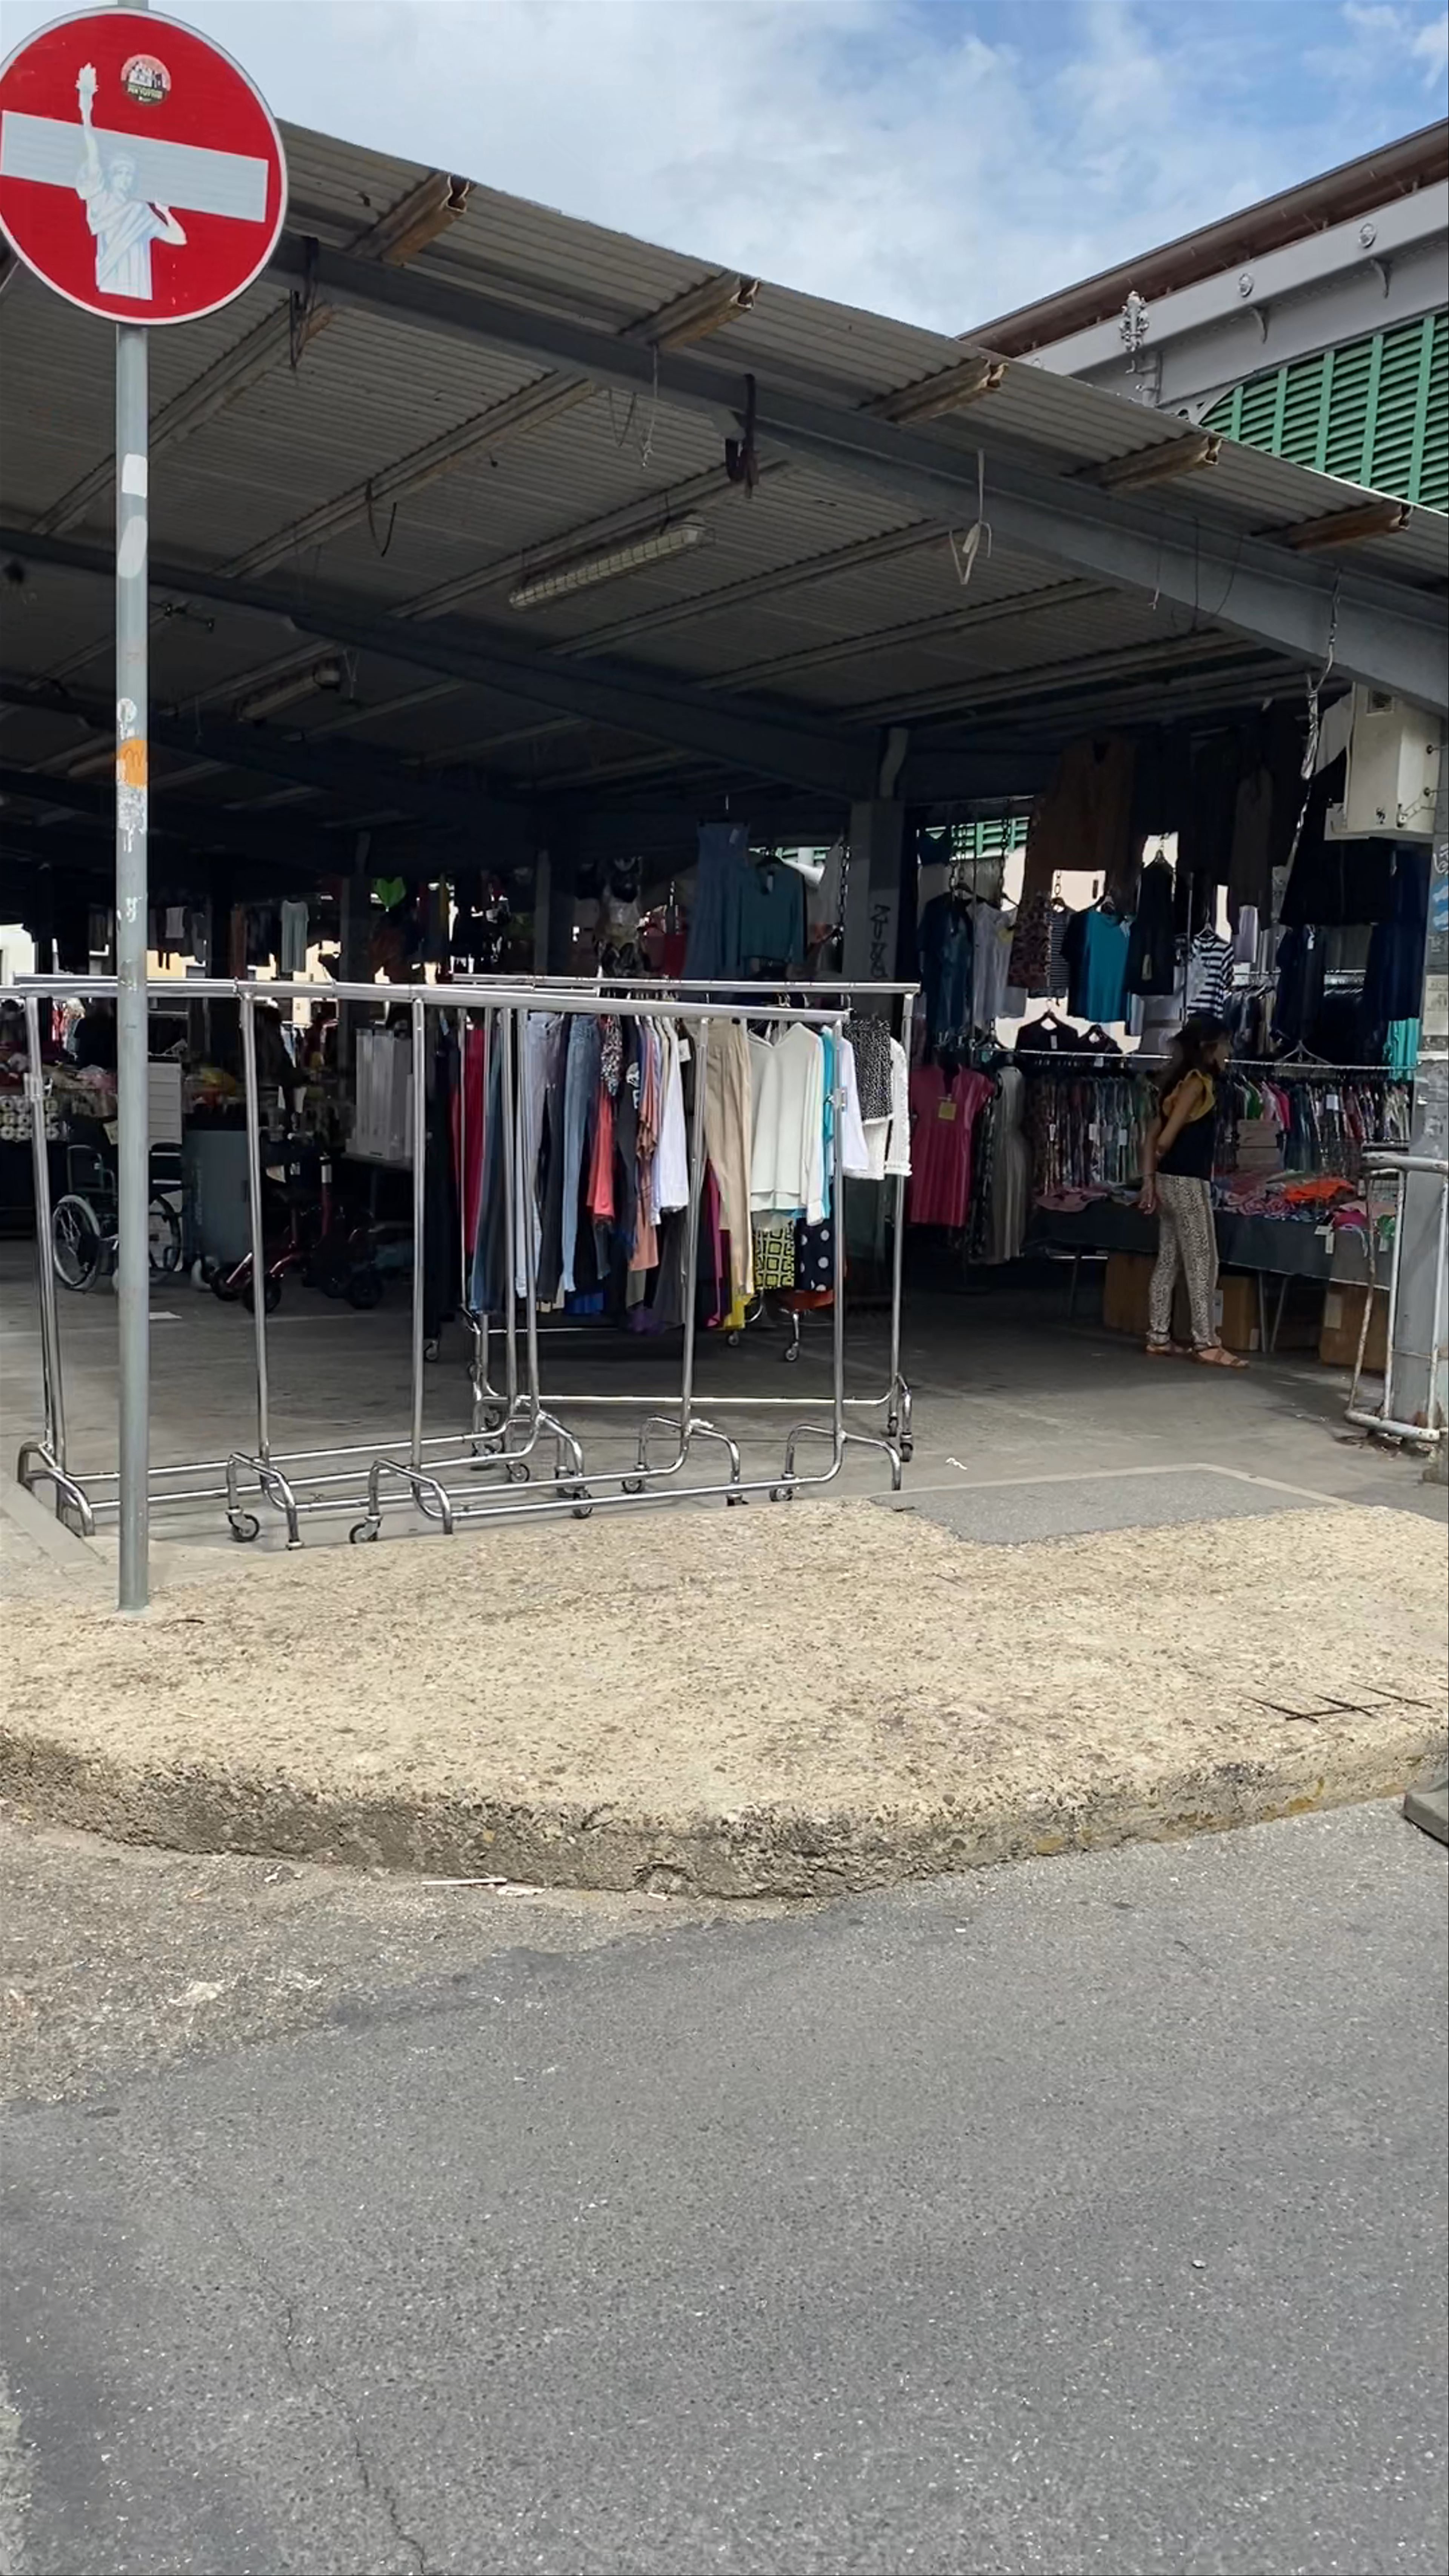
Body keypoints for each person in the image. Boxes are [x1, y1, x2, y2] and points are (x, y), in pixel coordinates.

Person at [1138, 1018, 1246, 1369]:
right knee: (1203, 1259)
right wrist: (1165, 1154)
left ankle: (1158, 1336)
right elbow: (1165, 1137)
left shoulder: (1177, 1083)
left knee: (1169, 1259)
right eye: (1225, 1045)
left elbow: (1151, 1135)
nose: (1229, 1053)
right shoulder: (1198, 1084)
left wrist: (1150, 1179)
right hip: (1187, 1181)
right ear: (1209, 1049)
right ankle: (1206, 1341)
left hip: (1169, 1180)